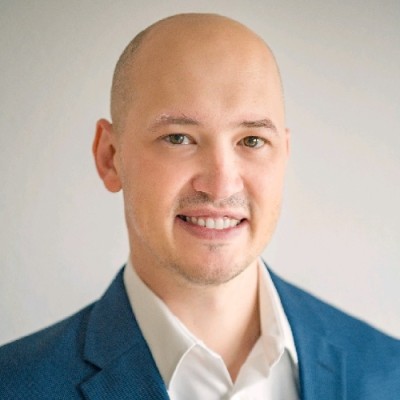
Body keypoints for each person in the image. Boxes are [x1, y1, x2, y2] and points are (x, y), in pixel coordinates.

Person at [0, 13, 399, 400]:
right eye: (178, 138)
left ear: (284, 156)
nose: (221, 184)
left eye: (252, 140)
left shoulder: (389, 374)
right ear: (110, 156)